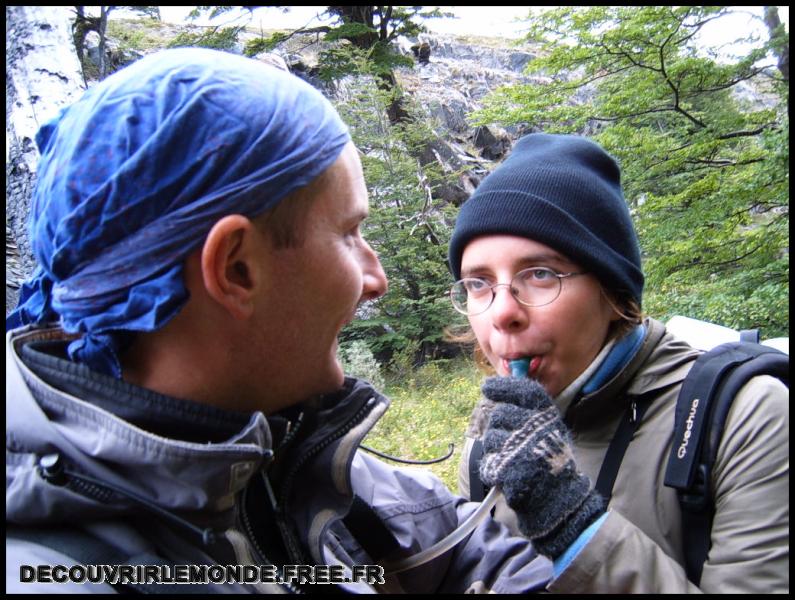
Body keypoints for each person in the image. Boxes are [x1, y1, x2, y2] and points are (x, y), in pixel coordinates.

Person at [5, 47, 553, 593]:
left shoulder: (260, 449)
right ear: (236, 268)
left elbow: (471, 550)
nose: (375, 276)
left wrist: (568, 525)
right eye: (348, 233)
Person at [447, 133, 789, 593]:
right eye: (478, 283)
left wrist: (575, 529)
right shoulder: (489, 442)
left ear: (614, 294)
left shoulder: (747, 417)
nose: (502, 312)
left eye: (541, 274)